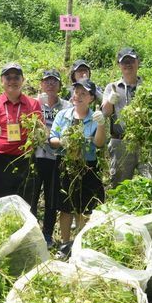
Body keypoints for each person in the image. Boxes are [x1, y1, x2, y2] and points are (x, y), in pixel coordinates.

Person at [49, 78, 106, 243]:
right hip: (65, 165)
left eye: (84, 93)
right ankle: (65, 244)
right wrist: (63, 141)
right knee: (65, 208)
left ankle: (81, 243)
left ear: (91, 98)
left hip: (88, 167)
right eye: (76, 92)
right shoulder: (63, 115)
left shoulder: (95, 117)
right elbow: (52, 139)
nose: (78, 96)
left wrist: (101, 124)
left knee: (85, 207)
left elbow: (99, 143)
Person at [0, 63, 43, 204]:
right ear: (2, 80)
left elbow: (41, 131)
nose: (12, 81)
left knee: (26, 206)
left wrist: (41, 134)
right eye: (8, 77)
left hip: (26, 162)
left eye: (16, 77)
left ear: (23, 80)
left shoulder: (33, 104)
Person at [102, 47, 152, 185]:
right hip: (120, 143)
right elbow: (105, 113)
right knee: (119, 185)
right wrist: (110, 101)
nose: (128, 64)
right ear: (119, 65)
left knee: (151, 182)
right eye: (124, 62)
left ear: (138, 62)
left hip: (145, 143)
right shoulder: (112, 87)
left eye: (131, 61)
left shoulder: (145, 87)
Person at [32, 69, 72, 247]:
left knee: (52, 198)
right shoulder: (34, 103)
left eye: (54, 81)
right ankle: (31, 233)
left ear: (60, 86)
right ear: (41, 84)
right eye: (47, 81)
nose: (50, 84)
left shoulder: (66, 106)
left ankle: (47, 234)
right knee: (31, 197)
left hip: (57, 158)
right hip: (36, 157)